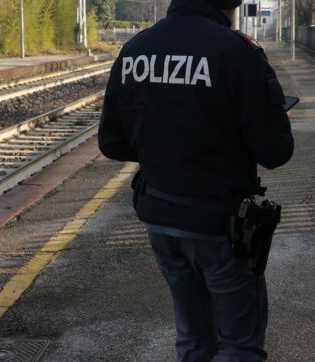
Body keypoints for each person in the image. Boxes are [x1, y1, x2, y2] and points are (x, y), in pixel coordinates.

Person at [97, 0, 295, 360]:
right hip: (221, 225)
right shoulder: (236, 51)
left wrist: (164, 149)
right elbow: (276, 151)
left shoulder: (135, 50)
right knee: (238, 347)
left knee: (193, 340)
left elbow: (112, 143)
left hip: (161, 218)